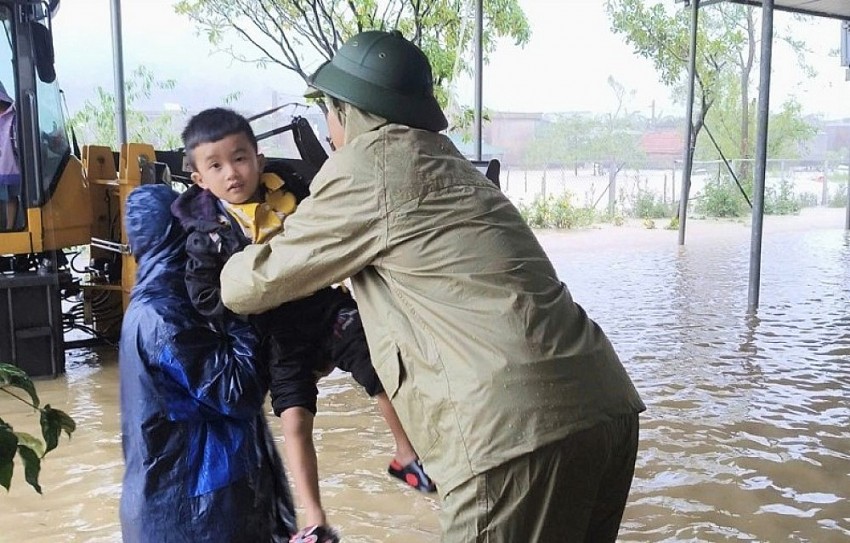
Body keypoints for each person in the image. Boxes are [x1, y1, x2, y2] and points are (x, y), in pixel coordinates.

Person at [220, 30, 647, 542]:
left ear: (347, 112)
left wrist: (221, 237)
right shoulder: (448, 161)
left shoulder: (365, 165)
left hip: (511, 433)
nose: (329, 130)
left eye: (328, 115)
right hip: (604, 409)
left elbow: (248, 286)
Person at [170, 107, 435, 539]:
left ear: (258, 157)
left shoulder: (292, 187)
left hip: (325, 308)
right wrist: (248, 300)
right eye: (215, 166)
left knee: (381, 370)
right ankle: (314, 521)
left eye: (239, 158)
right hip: (275, 332)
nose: (231, 173)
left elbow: (339, 226)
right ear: (200, 179)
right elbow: (205, 298)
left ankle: (406, 455)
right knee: (294, 417)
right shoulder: (206, 234)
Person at [118, 183, 296, 543]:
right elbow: (236, 392)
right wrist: (240, 306)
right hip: (200, 520)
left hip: (188, 510)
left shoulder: (162, 305)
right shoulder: (165, 314)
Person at [0, 81, 20, 229]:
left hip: (12, 167)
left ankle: (10, 227)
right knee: (8, 198)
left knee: (12, 198)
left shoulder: (15, 116)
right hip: (4, 168)